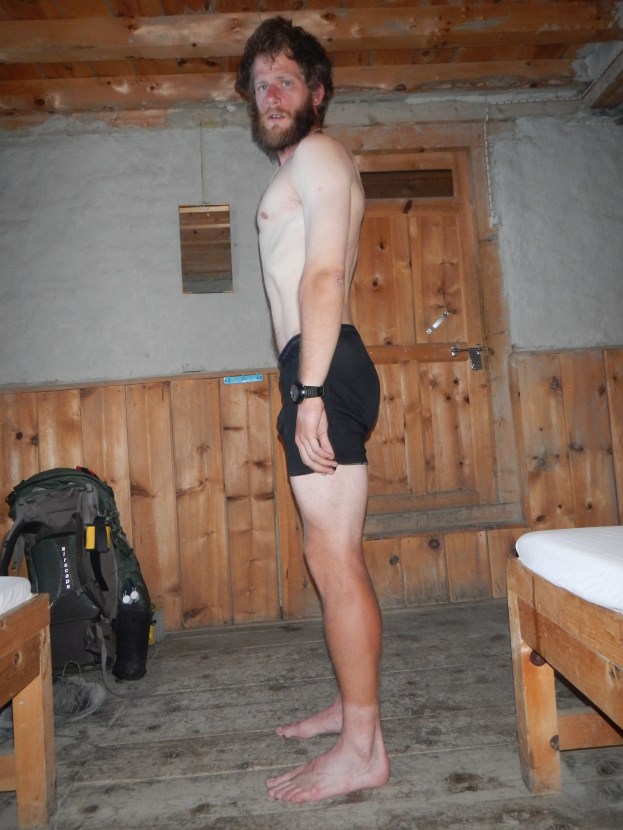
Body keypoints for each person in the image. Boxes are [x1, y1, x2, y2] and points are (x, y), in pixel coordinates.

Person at [235, 17, 390, 804]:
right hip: (314, 365)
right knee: (327, 555)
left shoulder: (320, 154)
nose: (270, 94)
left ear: (316, 93)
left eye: (285, 80)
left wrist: (308, 392)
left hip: (322, 368)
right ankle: (347, 705)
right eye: (259, 83)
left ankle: (362, 748)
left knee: (335, 559)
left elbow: (322, 275)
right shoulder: (300, 168)